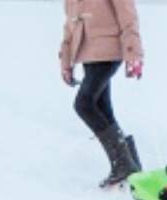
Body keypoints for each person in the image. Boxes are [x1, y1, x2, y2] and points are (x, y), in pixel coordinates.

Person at [59, 0, 145, 187]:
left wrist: (134, 53)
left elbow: (128, 15)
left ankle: (123, 164)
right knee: (102, 108)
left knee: (84, 104)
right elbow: (70, 26)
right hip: (88, 55)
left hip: (110, 50)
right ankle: (131, 164)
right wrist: (66, 61)